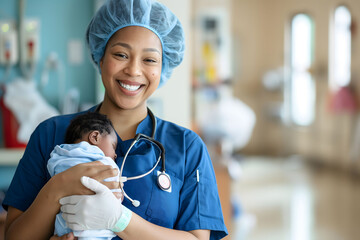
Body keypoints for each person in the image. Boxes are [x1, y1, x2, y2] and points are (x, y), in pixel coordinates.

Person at [3, 0, 228, 239]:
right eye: (121, 54)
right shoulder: (51, 133)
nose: (133, 70)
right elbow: (14, 236)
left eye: (149, 60)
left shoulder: (187, 146)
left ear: (162, 68)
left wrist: (120, 220)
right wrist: (58, 187)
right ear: (100, 58)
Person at [48, 111, 121, 239]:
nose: (115, 155)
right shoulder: (105, 163)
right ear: (95, 137)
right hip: (93, 229)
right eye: (113, 146)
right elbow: (116, 193)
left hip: (64, 226)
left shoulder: (59, 156)